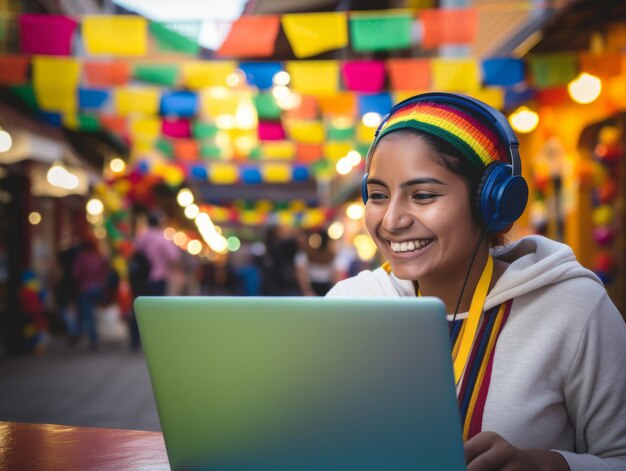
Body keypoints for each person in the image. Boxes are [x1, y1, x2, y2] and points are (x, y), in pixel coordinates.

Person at [326, 92, 626, 470]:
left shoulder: (573, 309)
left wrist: (545, 465)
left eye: (422, 195)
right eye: (378, 195)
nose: (391, 220)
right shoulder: (349, 305)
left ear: (493, 202)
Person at [129, 212, 180, 349]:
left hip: (140, 279)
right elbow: (173, 258)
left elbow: (134, 253)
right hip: (157, 278)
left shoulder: (140, 237)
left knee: (138, 309)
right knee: (156, 311)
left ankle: (135, 340)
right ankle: (153, 340)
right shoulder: (162, 239)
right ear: (159, 223)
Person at [72, 234, 108, 351]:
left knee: (88, 315)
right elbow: (105, 271)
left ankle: (92, 338)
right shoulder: (99, 256)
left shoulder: (82, 257)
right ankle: (82, 334)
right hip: (98, 288)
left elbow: (76, 273)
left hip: (85, 289)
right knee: (92, 314)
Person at [294, 228, 339, 296]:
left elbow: (335, 275)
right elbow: (301, 275)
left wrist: (334, 291)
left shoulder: (332, 255)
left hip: (327, 287)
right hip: (311, 287)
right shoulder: (304, 255)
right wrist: (307, 291)